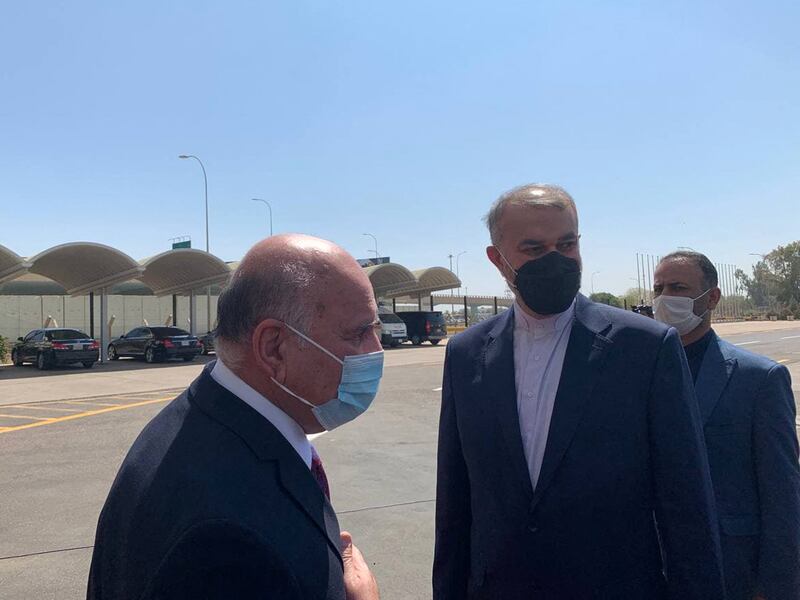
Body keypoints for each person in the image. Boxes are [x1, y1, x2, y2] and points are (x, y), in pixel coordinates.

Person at [433, 183, 725, 599]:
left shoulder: (645, 348)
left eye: (567, 244)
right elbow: (455, 502)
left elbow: (687, 504)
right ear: (498, 260)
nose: (555, 260)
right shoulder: (466, 353)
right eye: (534, 249)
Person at [87, 234, 381, 600]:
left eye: (376, 329)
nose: (376, 351)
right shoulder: (225, 541)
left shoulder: (197, 424)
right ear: (273, 347)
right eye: (360, 333)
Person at [653, 250, 800, 600]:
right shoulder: (639, 374)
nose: (664, 299)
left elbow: (783, 493)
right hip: (654, 569)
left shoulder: (760, 379)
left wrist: (776, 586)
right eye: (658, 288)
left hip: (731, 568)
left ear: (712, 297)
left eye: (678, 287)